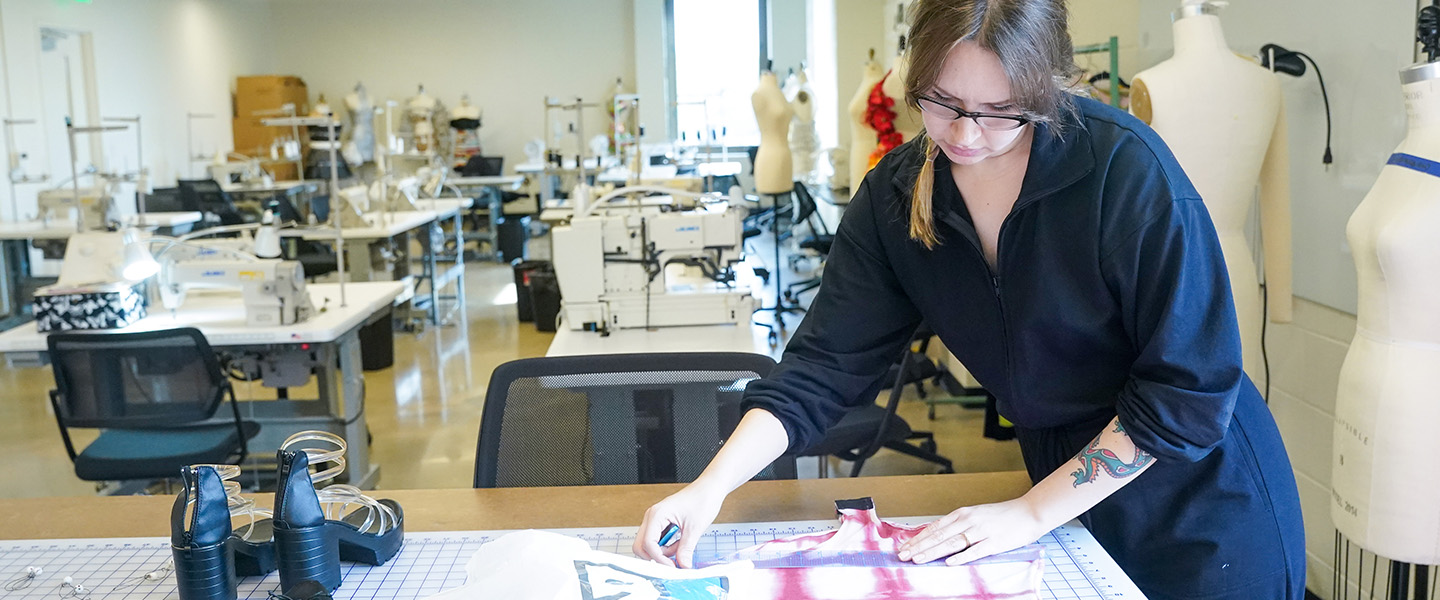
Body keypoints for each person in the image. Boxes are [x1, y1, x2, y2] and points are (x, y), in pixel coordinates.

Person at [633, 0, 1305, 598]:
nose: (962, 134)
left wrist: (1034, 512)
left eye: (998, 112)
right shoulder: (896, 197)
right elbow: (821, 367)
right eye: (941, 102)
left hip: (1201, 505)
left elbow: (1185, 393)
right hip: (1061, 486)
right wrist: (710, 487)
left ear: (1042, 92)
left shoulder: (1123, 173)